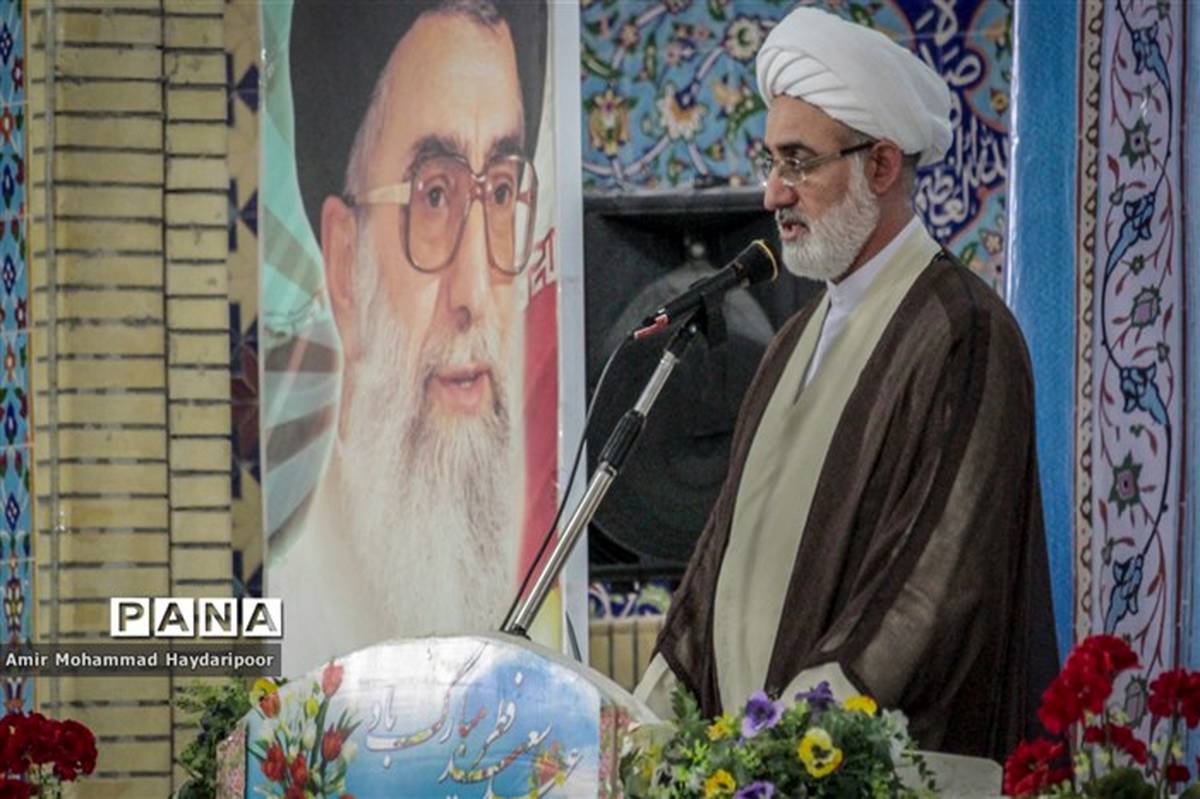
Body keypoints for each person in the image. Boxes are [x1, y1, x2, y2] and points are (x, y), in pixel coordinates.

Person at [636, 7, 1057, 762]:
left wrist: (791, 746)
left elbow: (936, 585)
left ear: (882, 166)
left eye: (798, 162)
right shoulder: (789, 346)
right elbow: (716, 572)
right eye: (772, 162)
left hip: (866, 770)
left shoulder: (960, 331)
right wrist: (642, 729)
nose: (773, 194)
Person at [271, 0, 546, 673]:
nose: (474, 294)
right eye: (433, 196)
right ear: (345, 261)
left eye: (501, 192)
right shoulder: (284, 621)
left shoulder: (543, 606)